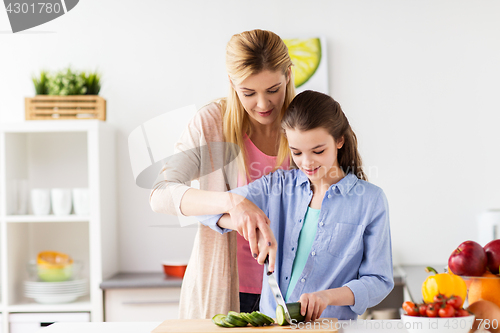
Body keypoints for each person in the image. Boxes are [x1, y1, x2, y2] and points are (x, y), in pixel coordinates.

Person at [198, 90, 394, 321]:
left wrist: (327, 297)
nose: (307, 162)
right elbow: (205, 210)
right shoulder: (276, 186)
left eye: (318, 151)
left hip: (331, 327)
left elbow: (379, 281)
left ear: (339, 140)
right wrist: (250, 224)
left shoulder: (370, 200)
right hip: (273, 326)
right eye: (297, 152)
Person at [149, 29, 295, 319]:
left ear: (288, 75)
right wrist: (232, 203)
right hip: (224, 290)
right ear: (231, 83)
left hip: (291, 292)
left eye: (273, 90)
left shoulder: (305, 122)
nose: (263, 104)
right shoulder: (211, 122)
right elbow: (161, 194)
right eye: (249, 93)